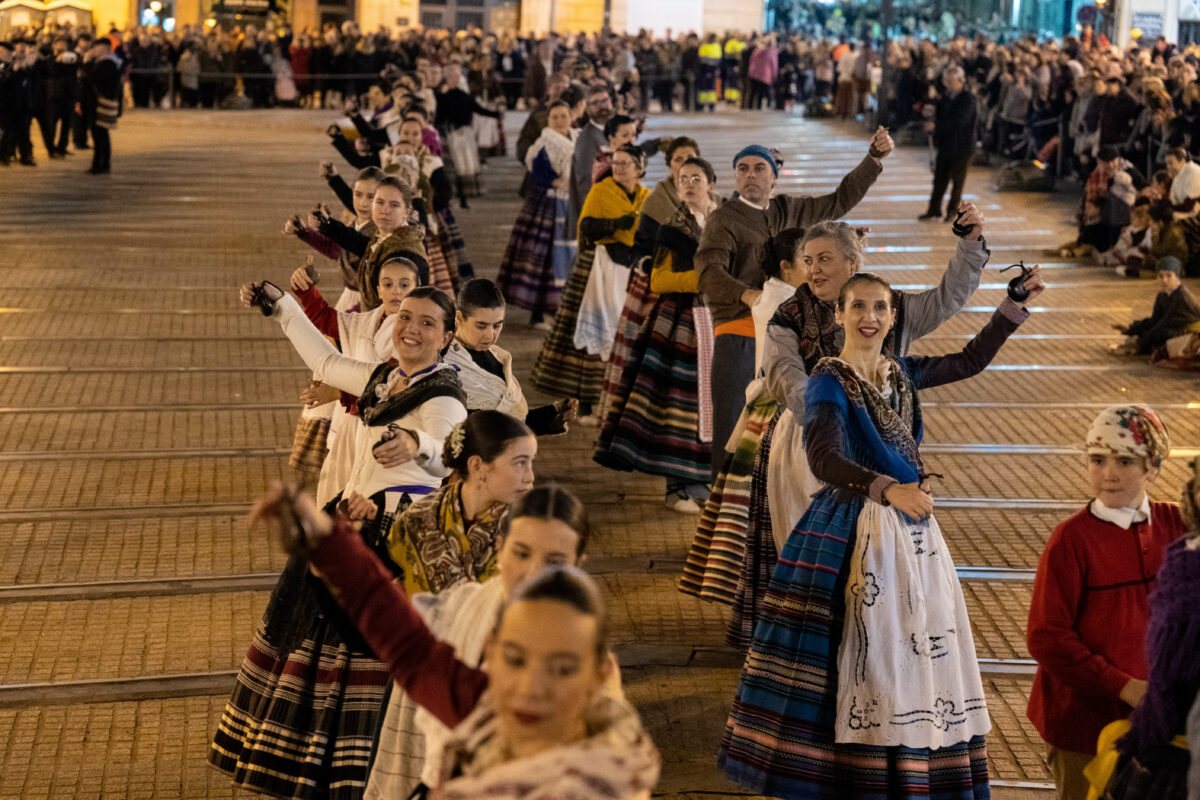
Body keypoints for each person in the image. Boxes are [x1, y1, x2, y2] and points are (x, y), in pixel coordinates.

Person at [720, 268, 1045, 798]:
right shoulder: (828, 379)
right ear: (839, 314)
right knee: (864, 658)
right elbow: (824, 458)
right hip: (853, 529)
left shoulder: (901, 374)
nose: (869, 318)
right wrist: (886, 488)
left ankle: (912, 773)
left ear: (892, 317)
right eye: (859, 307)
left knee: (915, 650)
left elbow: (968, 360)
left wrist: (1010, 307)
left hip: (911, 533)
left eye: (880, 308)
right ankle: (857, 779)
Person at [212, 286, 469, 800]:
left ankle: (367, 779)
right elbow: (327, 362)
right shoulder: (383, 379)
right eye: (404, 318)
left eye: (426, 323)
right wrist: (281, 305)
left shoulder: (442, 396)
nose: (410, 329)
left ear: (445, 337)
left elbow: (446, 452)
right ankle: (321, 771)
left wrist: (417, 446)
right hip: (355, 520)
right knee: (321, 649)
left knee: (369, 657)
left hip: (398, 542)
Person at [250, 489, 661, 799]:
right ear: (491, 656)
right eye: (516, 659)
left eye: (564, 668)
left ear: (601, 673)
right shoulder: (487, 711)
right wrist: (327, 542)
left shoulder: (601, 780)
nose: (532, 686)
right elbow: (411, 649)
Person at [365, 484, 592, 800]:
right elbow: (408, 646)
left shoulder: (586, 653)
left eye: (554, 560)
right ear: (500, 549)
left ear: (578, 563)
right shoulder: (463, 607)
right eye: (521, 553)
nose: (533, 573)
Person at [696, 129, 891, 478]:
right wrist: (748, 295)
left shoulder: (790, 208)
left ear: (773, 176)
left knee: (773, 431)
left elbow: (838, 200)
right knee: (733, 424)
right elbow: (708, 270)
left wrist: (872, 160)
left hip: (786, 330)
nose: (750, 175)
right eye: (743, 169)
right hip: (740, 331)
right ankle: (723, 507)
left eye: (759, 168)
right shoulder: (724, 219)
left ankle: (761, 509)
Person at [1027, 404, 1183, 800]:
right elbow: (1047, 637)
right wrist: (1124, 686)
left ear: (1154, 468)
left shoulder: (1175, 524)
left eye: (1125, 461)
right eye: (1098, 459)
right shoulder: (1071, 541)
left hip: (1159, 721)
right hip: (1082, 723)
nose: (1108, 473)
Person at [594, 155, 721, 513]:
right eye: (683, 179)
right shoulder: (672, 228)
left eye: (697, 177)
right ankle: (678, 486)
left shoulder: (726, 221)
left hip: (722, 319)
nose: (690, 184)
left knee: (718, 401)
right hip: (681, 322)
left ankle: (708, 478)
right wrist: (705, 279)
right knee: (677, 405)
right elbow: (659, 279)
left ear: (710, 182)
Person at [1084, 463, 1199, 800]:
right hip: (1169, 748)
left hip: (1162, 747)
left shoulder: (1181, 566)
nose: (1110, 473)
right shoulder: (1183, 568)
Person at [530, 144, 651, 422]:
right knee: (591, 335)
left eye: (626, 164)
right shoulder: (602, 190)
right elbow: (586, 227)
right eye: (616, 163)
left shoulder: (647, 196)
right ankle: (584, 402)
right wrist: (615, 225)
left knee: (627, 334)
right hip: (598, 265)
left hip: (632, 268)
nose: (619, 169)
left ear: (639, 168)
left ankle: (621, 399)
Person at [443, 278, 579, 434]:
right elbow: (480, 429)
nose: (490, 335)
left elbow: (511, 420)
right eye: (481, 326)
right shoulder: (445, 361)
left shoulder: (498, 356)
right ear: (459, 318)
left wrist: (554, 414)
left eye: (497, 325)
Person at [497, 99, 577, 328]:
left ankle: (556, 309)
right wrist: (556, 181)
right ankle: (539, 313)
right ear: (548, 121)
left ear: (571, 117)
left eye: (563, 116)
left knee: (563, 260)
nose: (560, 120)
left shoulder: (575, 138)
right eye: (555, 117)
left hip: (568, 204)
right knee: (545, 260)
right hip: (546, 206)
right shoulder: (545, 143)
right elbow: (539, 175)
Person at [919, 66, 977, 222]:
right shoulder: (945, 97)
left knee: (957, 182)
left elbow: (959, 122)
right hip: (946, 146)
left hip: (961, 147)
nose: (948, 85)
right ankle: (934, 210)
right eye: (947, 81)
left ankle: (952, 211)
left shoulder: (967, 99)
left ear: (960, 81)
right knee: (939, 180)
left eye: (951, 82)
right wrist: (931, 115)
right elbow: (940, 116)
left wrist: (937, 126)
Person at [1112, 257, 1200, 355]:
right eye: (1161, 276)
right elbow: (1154, 320)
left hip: (1190, 332)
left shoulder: (1181, 297)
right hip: (1172, 328)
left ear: (1177, 277)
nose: (1164, 280)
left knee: (1161, 334)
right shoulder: (1163, 294)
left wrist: (1140, 344)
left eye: (1169, 276)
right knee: (1145, 328)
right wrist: (1131, 329)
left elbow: (1163, 323)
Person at [568, 86, 615, 225]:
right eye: (596, 103)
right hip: (601, 208)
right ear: (587, 109)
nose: (602, 106)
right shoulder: (587, 138)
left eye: (605, 100)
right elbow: (585, 179)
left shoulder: (612, 129)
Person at [80, 37, 120, 175]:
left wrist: (86, 63)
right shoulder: (101, 62)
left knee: (99, 135)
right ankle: (102, 163)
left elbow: (91, 79)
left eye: (97, 47)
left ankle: (100, 164)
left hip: (99, 103)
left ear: (106, 48)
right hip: (95, 103)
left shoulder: (107, 63)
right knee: (100, 134)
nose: (94, 50)